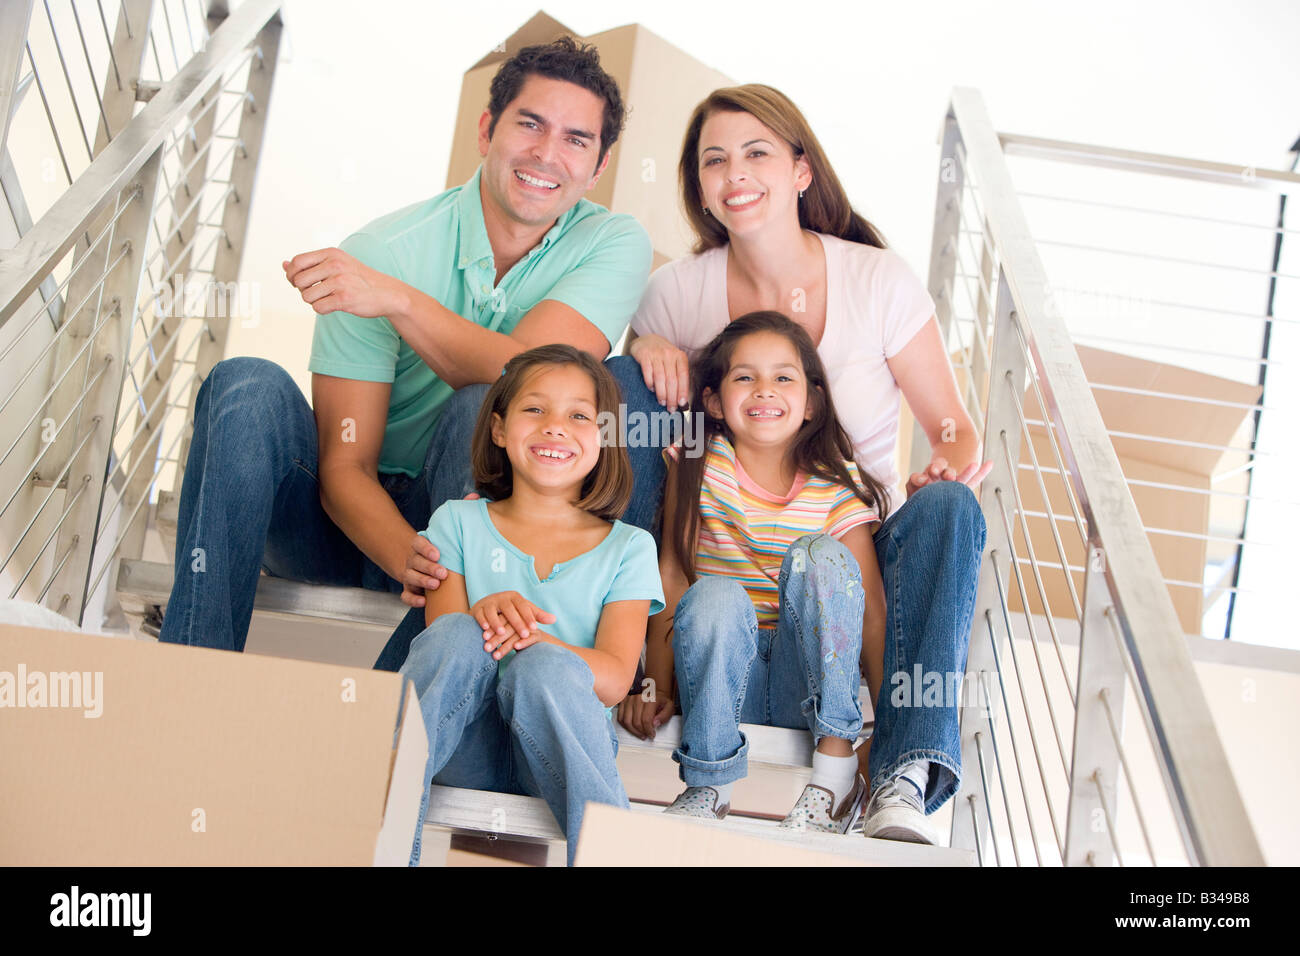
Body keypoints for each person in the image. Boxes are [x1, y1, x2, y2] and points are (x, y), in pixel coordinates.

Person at [158, 38, 659, 658]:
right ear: (486, 130)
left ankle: (421, 694)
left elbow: (528, 376)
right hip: (344, 523)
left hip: (474, 528)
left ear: (599, 165)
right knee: (244, 383)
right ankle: (190, 667)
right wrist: (423, 563)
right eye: (529, 125)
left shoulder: (611, 243)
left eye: (575, 139)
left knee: (487, 400)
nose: (547, 155)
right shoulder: (384, 250)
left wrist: (399, 302)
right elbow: (345, 469)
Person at [625, 85, 989, 844]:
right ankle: (627, 656)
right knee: (622, 390)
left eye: (757, 153)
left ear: (800, 169)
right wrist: (643, 347)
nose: (736, 173)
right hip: (723, 564)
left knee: (951, 511)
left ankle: (898, 764)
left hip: (852, 553)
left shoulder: (876, 279)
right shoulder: (676, 293)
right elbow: (658, 466)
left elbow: (953, 428)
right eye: (713, 160)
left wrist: (946, 465)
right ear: (697, 185)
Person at [620, 312, 887, 834]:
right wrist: (654, 683)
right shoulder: (698, 460)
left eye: (783, 377)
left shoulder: (836, 486)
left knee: (822, 555)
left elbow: (870, 610)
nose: (764, 390)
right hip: (720, 671)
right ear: (716, 401)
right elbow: (672, 573)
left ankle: (833, 775)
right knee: (715, 593)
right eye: (745, 377)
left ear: (811, 402)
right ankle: (708, 783)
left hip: (802, 679)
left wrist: (886, 719)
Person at [401, 345, 663, 866]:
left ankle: (612, 857)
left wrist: (539, 641)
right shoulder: (457, 522)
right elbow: (443, 646)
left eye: (579, 415)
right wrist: (484, 609)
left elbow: (613, 678)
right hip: (464, 744)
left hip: (560, 746)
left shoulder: (630, 547)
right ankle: (379, 838)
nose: (555, 427)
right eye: (535, 409)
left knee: (543, 668)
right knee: (455, 634)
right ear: (499, 429)